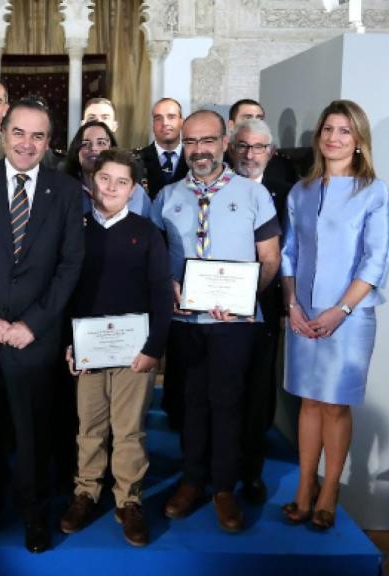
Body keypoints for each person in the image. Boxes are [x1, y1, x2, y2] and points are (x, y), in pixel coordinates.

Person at [0, 98, 84, 553]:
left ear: (50, 142)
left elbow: (70, 266)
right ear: (4, 134)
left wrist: (34, 323)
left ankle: (34, 516)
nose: (27, 144)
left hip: (35, 338)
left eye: (38, 136)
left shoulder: (65, 191)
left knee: (33, 436)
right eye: (19, 133)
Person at [151, 110, 281, 533]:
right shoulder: (167, 196)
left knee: (228, 404)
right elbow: (153, 258)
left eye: (207, 141)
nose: (199, 150)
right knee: (189, 404)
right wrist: (168, 286)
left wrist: (244, 300)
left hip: (235, 323)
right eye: (190, 142)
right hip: (184, 320)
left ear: (225, 141)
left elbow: (270, 258)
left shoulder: (253, 194)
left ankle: (224, 487)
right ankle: (191, 481)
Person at [280, 100, 389, 531]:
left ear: (360, 140)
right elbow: (288, 253)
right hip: (302, 315)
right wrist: (292, 305)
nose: (334, 137)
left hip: (349, 318)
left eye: (344, 130)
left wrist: (341, 309)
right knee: (308, 402)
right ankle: (303, 489)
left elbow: (375, 260)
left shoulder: (376, 193)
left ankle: (330, 490)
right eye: (328, 128)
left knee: (334, 405)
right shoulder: (301, 191)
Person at [58, 149, 171, 547]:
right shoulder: (76, 229)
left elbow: (161, 296)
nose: (111, 187)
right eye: (105, 178)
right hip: (88, 351)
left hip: (133, 352)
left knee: (128, 430)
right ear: (91, 181)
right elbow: (65, 293)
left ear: (134, 189)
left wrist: (154, 348)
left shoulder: (148, 233)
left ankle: (129, 500)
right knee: (89, 427)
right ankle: (86, 492)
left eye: (121, 182)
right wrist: (69, 345)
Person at [229, 117, 293, 505]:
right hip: (212, 307)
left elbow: (290, 255)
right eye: (243, 146)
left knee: (256, 391)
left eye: (258, 148)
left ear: (270, 152)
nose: (249, 155)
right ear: (231, 148)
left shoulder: (287, 194)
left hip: (262, 308)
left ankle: (250, 472)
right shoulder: (214, 187)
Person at [62, 120, 151, 217]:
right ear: (76, 151)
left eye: (101, 143)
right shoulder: (63, 191)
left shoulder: (137, 194)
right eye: (85, 143)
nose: (94, 148)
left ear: (112, 148)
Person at [137, 98, 188, 199]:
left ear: (182, 122)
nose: (164, 123)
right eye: (158, 118)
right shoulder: (135, 159)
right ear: (153, 125)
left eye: (171, 117)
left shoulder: (193, 159)